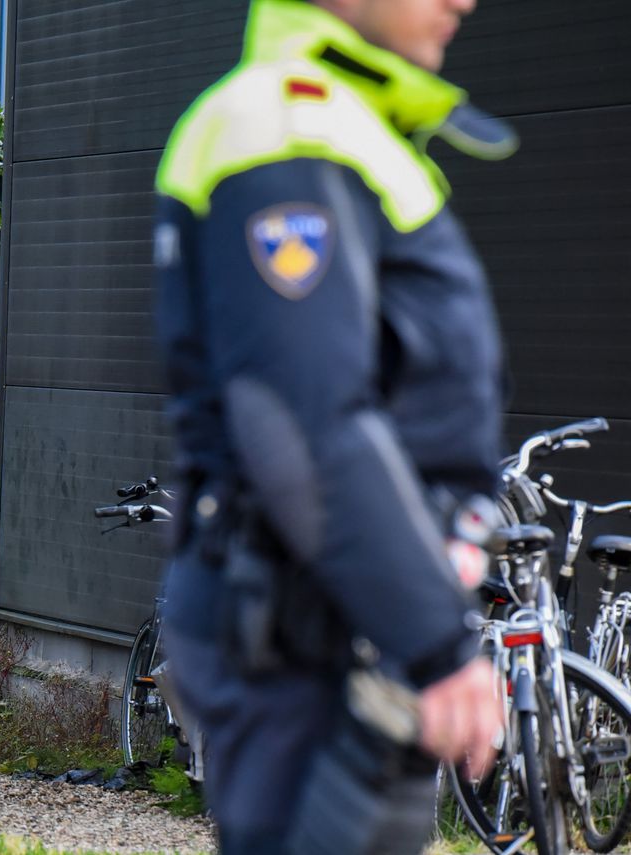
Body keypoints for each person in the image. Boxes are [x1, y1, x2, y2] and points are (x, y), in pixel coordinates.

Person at [154, 0, 513, 852]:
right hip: (305, 634)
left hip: (344, 624)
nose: (464, 0)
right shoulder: (285, 128)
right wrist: (436, 638)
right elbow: (303, 426)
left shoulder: (344, 130)